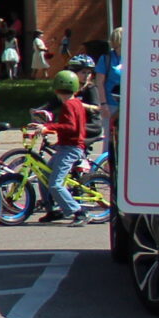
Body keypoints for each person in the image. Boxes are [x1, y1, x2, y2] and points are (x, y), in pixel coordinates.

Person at [41, 69, 92, 219]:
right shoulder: (76, 103)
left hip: (70, 148)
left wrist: (48, 128)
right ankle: (52, 209)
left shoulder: (69, 105)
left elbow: (71, 127)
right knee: (44, 175)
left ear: (56, 89)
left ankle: (79, 212)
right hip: (66, 147)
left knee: (56, 184)